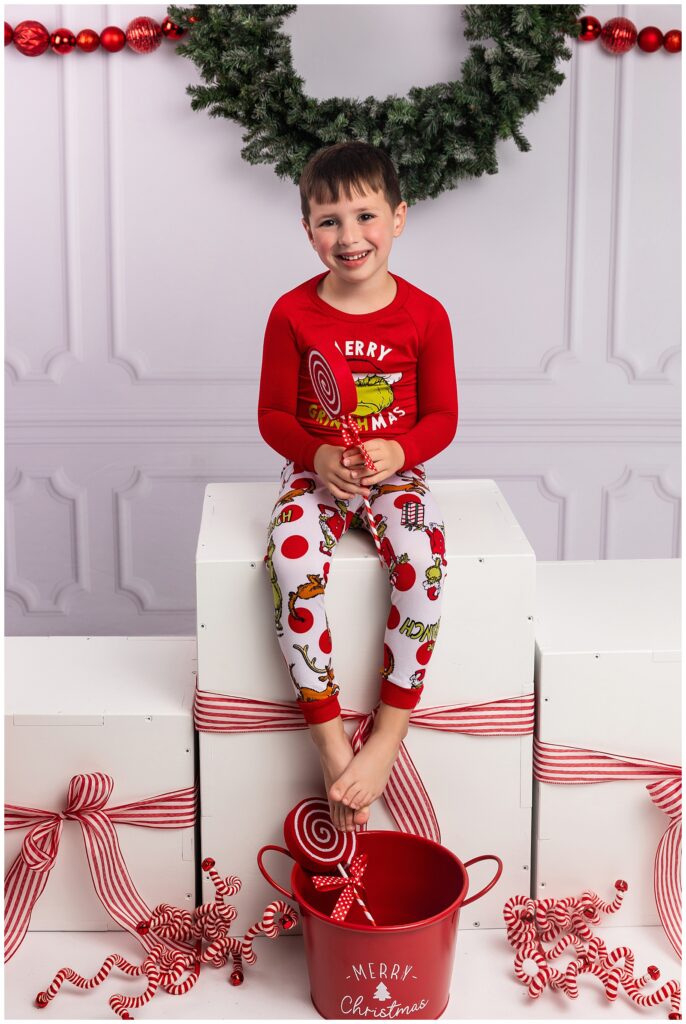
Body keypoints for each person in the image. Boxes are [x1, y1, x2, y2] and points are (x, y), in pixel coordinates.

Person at [258, 141, 458, 832]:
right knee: (288, 557)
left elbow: (443, 418)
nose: (349, 237)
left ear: (398, 218)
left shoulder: (425, 314)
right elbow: (273, 416)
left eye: (365, 216)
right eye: (329, 221)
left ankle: (385, 737)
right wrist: (315, 454)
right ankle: (330, 743)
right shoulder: (291, 313)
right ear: (307, 229)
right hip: (317, 475)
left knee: (423, 561)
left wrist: (400, 447)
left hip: (395, 472)